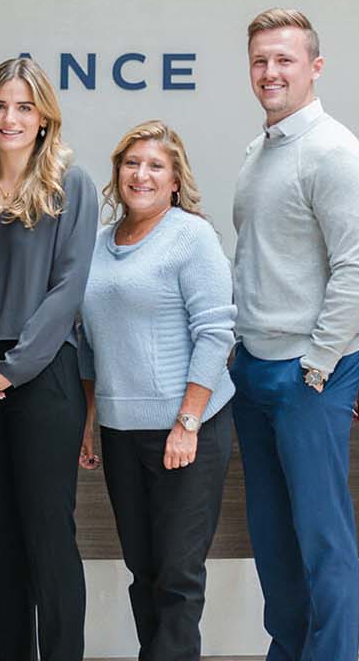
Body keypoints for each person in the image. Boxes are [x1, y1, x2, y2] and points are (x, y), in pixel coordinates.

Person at [230, 8, 359, 661]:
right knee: (273, 538)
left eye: (284, 60)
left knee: (322, 540)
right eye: (260, 60)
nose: (271, 72)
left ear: (315, 67)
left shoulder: (333, 152)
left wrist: (317, 364)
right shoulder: (258, 152)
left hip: (309, 373)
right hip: (255, 367)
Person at [0, 57, 98, 661]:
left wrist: (11, 369)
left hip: (43, 374)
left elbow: (68, 290)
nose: (10, 118)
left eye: (24, 107)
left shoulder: (71, 185)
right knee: (3, 546)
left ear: (43, 118)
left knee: (49, 541)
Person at [77, 120, 236, 660]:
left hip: (186, 429)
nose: (140, 175)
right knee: (142, 569)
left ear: (174, 180)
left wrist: (187, 423)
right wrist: (90, 420)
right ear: (117, 172)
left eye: (155, 166)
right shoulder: (97, 245)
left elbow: (215, 333)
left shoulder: (191, 236)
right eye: (131, 163)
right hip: (121, 431)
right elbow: (90, 342)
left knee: (177, 575)